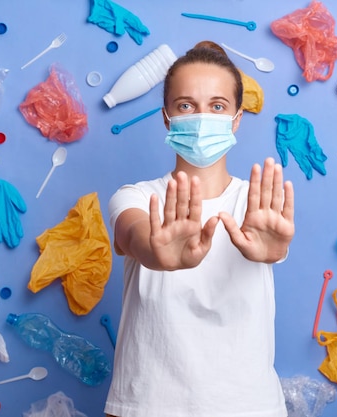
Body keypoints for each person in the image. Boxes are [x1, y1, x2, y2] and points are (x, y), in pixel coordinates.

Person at [104, 40, 295, 417]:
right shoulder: (137, 198)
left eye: (218, 106)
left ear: (237, 118)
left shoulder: (258, 205)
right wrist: (156, 253)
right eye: (186, 105)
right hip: (145, 407)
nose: (202, 117)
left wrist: (277, 252)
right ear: (167, 117)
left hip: (248, 407)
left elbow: (275, 243)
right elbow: (134, 236)